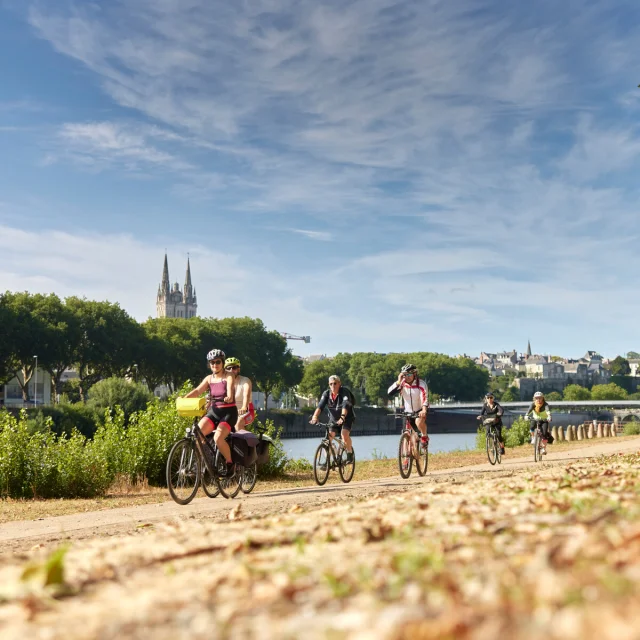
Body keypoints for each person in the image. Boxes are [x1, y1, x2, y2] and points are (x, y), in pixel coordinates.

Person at [183, 349, 237, 475]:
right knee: (197, 434)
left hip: (228, 412)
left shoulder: (229, 375)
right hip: (214, 411)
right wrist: (184, 398)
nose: (215, 365)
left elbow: (230, 388)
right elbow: (197, 391)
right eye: (212, 362)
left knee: (218, 438)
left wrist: (229, 396)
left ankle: (230, 463)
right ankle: (204, 463)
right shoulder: (209, 378)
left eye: (217, 362)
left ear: (222, 363)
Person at [310, 375, 355, 462]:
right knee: (327, 440)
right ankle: (327, 462)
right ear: (329, 385)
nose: (333, 386)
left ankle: (349, 453)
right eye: (331, 384)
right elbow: (320, 405)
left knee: (344, 435)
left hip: (347, 418)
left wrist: (342, 417)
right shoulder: (327, 394)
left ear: (339, 384)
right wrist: (315, 416)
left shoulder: (344, 392)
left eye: (335, 383)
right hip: (334, 419)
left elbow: (345, 404)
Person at [387, 363, 429, 445]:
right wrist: (399, 381)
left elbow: (424, 398)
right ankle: (406, 455)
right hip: (408, 411)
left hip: (419, 410)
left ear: (414, 374)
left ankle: (424, 436)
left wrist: (424, 410)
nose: (407, 377)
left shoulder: (421, 384)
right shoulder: (402, 383)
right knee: (406, 432)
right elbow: (390, 392)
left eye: (409, 374)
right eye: (405, 375)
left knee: (418, 422)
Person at [224, 357, 255, 431]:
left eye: (234, 367)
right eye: (228, 368)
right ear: (225, 370)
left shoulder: (245, 380)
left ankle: (246, 442)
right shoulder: (223, 382)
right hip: (228, 413)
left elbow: (246, 394)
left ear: (238, 369)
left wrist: (244, 407)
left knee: (238, 423)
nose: (231, 370)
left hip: (246, 412)